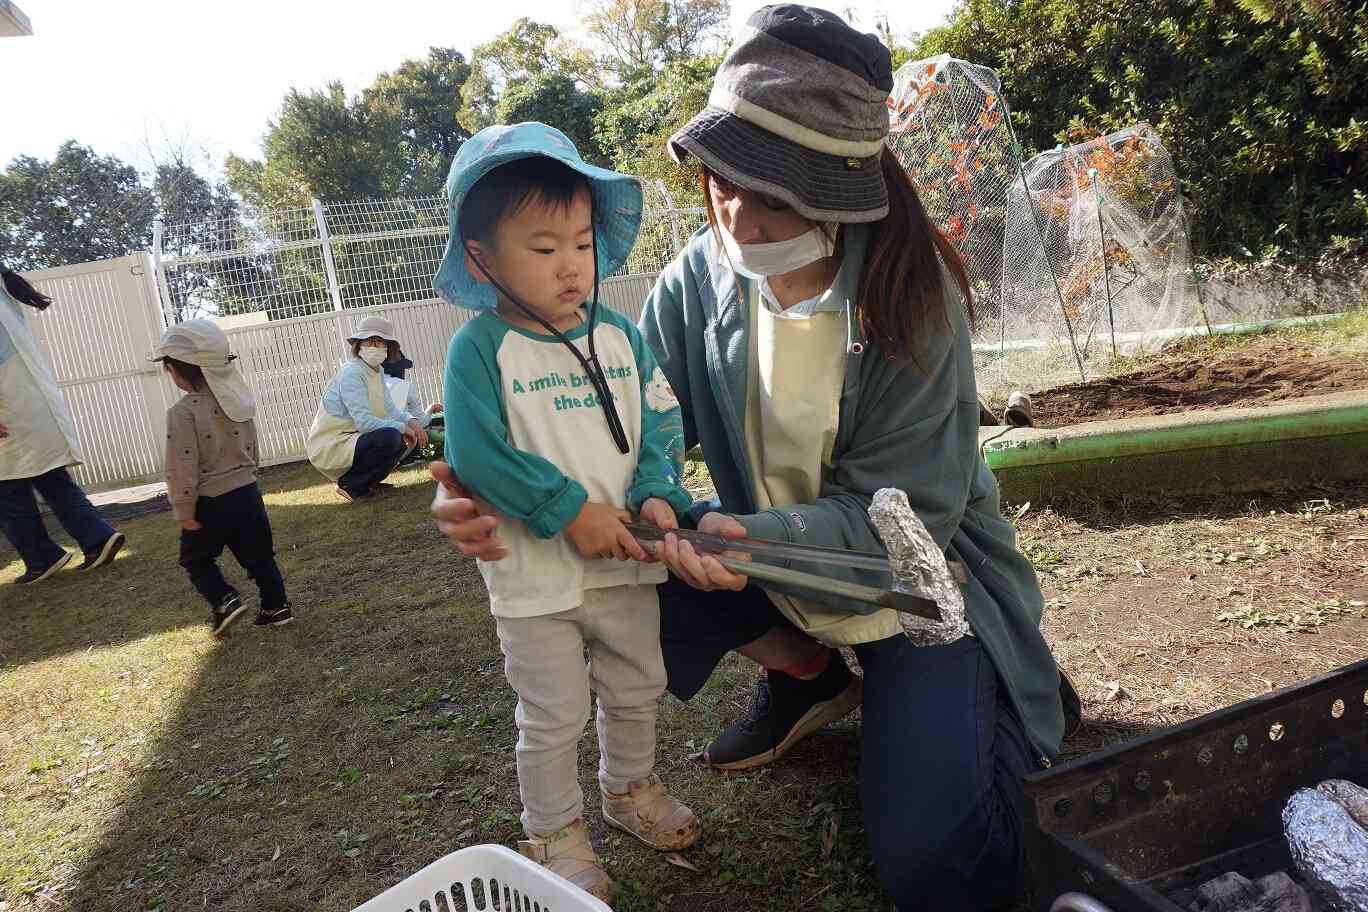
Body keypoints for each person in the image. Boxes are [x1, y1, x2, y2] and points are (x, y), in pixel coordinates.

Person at [429, 7, 1072, 910]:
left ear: (844, 190)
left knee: (942, 867)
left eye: (773, 193)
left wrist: (751, 538)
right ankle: (805, 673)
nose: (737, 212)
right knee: (625, 561)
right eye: (723, 179)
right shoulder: (698, 278)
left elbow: (907, 519)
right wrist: (481, 490)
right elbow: (633, 428)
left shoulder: (913, 297)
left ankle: (998, 689)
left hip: (913, 590)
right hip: (766, 562)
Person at [429, 122, 700, 901]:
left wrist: (658, 492)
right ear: (482, 258)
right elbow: (478, 454)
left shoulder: (620, 335)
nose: (572, 264)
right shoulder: (479, 350)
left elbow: (661, 420)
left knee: (636, 685)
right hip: (535, 579)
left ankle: (629, 791)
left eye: (582, 243)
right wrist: (569, 509)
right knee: (552, 712)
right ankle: (554, 832)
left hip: (627, 562)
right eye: (544, 248)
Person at [153, 320, 292, 635]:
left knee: (195, 559)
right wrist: (251, 473)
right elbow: (252, 444)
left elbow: (181, 465)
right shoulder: (236, 400)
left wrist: (183, 509)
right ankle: (276, 606)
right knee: (260, 556)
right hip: (247, 493)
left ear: (176, 369)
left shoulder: (183, 412)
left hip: (210, 501)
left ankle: (224, 599)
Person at [0, 268, 125, 584]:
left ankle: (42, 558)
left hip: (9, 411)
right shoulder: (4, 294)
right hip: (29, 403)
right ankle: (97, 538)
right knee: (50, 477)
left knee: (7, 490)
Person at [306, 315, 431, 501]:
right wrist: (403, 428)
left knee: (397, 437)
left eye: (380, 342)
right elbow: (364, 423)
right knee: (390, 437)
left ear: (388, 348)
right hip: (332, 444)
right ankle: (351, 485)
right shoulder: (351, 373)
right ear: (359, 345)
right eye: (370, 341)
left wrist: (412, 422)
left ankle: (369, 482)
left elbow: (390, 410)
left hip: (351, 438)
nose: (375, 346)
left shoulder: (377, 372)